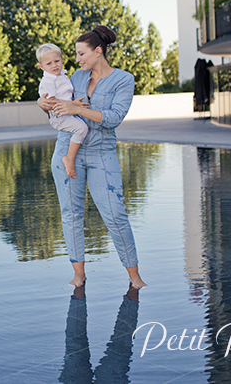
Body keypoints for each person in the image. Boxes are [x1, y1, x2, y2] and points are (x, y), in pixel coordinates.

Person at [38, 25, 146, 290]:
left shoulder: (123, 79)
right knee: (71, 213)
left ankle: (134, 276)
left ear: (98, 51)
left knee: (115, 214)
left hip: (101, 152)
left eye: (81, 53)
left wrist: (78, 109)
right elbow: (57, 106)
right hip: (67, 150)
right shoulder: (74, 77)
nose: (77, 59)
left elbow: (113, 118)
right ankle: (79, 274)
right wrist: (41, 104)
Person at [36, 43, 88, 178]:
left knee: (82, 127)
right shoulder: (48, 81)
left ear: (62, 59)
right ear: (42, 67)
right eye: (49, 64)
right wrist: (73, 105)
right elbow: (52, 101)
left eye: (57, 61)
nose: (54, 66)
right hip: (59, 115)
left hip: (66, 112)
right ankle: (69, 159)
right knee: (82, 128)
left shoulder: (62, 75)